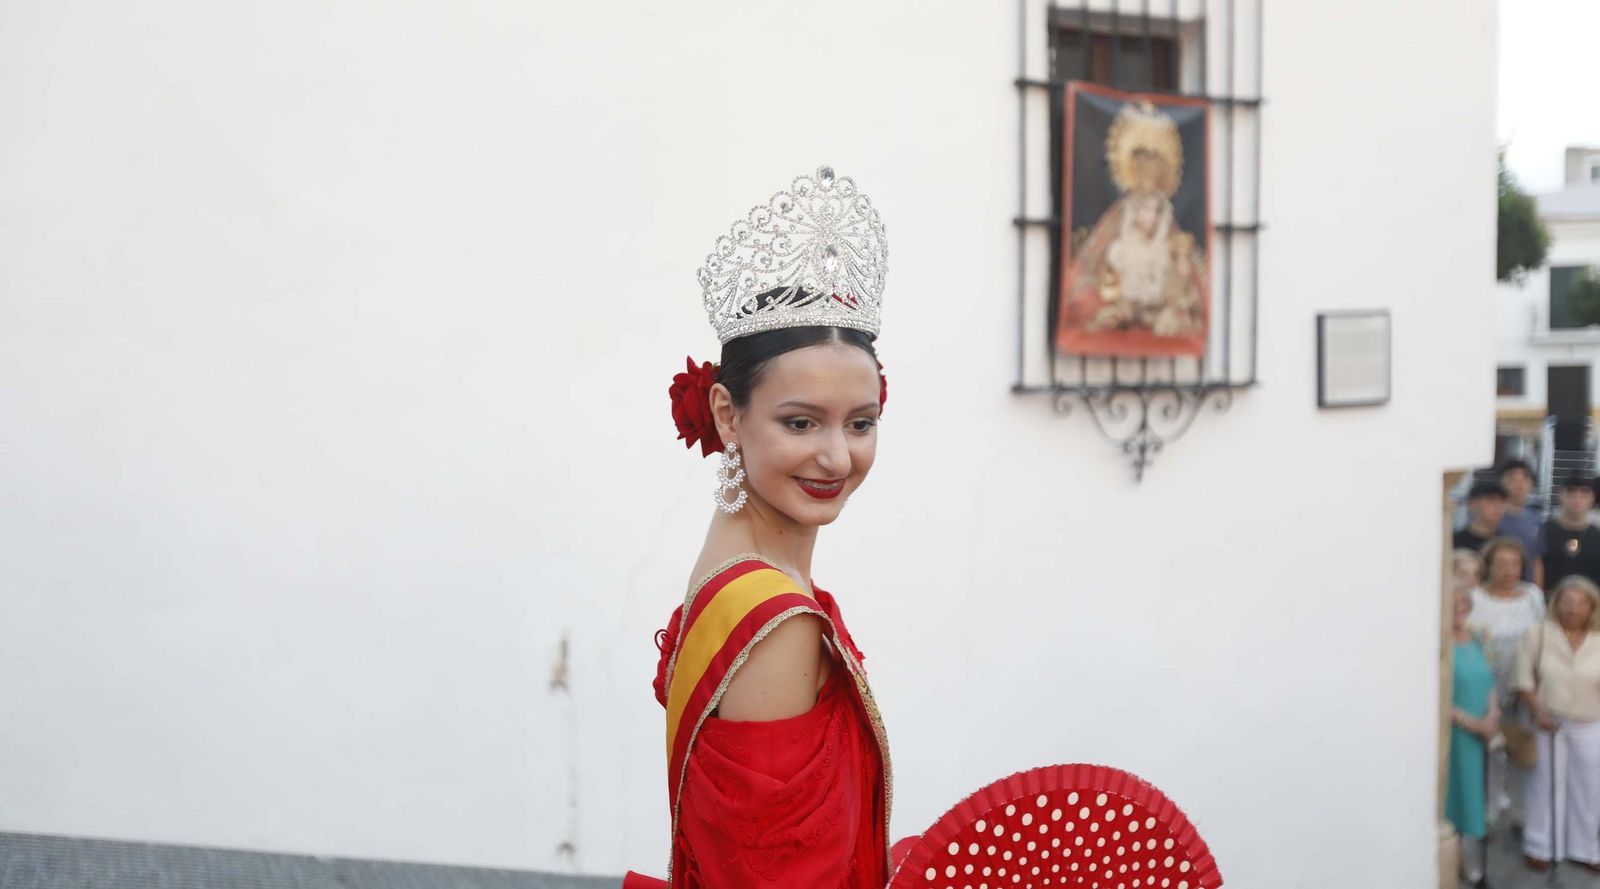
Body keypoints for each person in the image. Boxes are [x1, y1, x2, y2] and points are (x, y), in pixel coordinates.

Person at [628, 166, 895, 889]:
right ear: (726, 414)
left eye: (860, 422)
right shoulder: (776, 621)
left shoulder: (734, 566)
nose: (837, 456)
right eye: (800, 422)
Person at [1516, 576, 1600, 872]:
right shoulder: (1537, 634)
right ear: (1556, 603)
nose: (1573, 609)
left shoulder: (1598, 638)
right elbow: (1523, 678)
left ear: (1592, 607)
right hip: (1547, 720)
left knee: (1588, 786)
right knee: (1545, 783)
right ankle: (1539, 845)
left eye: (1581, 603)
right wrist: (1537, 711)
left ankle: (1585, 848)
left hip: (1589, 721)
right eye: (1568, 602)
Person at [1469, 537, 1547, 832]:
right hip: (1487, 686)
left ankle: (1520, 813)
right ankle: (1488, 812)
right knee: (1489, 750)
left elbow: (1542, 637)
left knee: (1522, 747)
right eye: (1501, 564)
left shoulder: (1532, 596)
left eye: (1515, 564)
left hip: (1524, 685)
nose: (1508, 570)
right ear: (1488, 566)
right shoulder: (1476, 597)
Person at [1447, 582, 1499, 884]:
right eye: (1451, 603)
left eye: (1463, 603)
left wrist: (1492, 715)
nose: (1459, 608)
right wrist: (1473, 724)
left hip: (1484, 731)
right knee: (1459, 795)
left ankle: (1474, 862)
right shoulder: (1438, 643)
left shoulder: (1480, 637)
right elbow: (1438, 697)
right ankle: (1457, 862)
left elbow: (1490, 679)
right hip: (1457, 734)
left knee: (1480, 796)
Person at [1542, 475, 1600, 593]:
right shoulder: (1543, 531)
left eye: (1584, 494)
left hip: (1589, 600)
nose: (1577, 499)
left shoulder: (1597, 535)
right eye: (1571, 492)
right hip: (1549, 598)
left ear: (1592, 498)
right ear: (1560, 495)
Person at [1498, 460, 1546, 586]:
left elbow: (1537, 561)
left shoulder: (1535, 518)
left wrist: (1537, 592)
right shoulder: (1494, 516)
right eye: (1512, 479)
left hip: (1526, 588)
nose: (1519, 484)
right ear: (1501, 482)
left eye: (1524, 479)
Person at [1455, 481, 1508, 556]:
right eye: (1491, 500)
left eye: (1502, 501)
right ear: (1472, 504)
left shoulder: (1506, 543)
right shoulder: (1454, 542)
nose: (1498, 506)